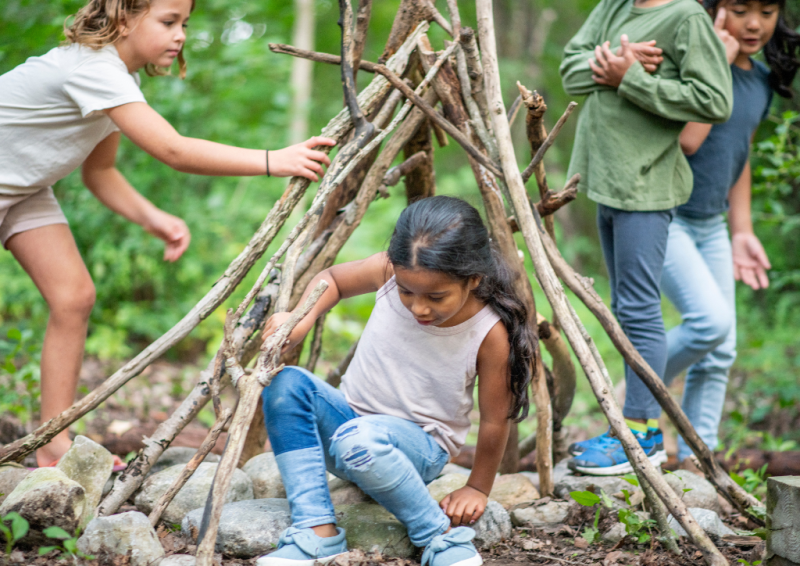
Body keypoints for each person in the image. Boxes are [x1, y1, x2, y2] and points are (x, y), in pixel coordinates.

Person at [0, 0, 335, 467]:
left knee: (73, 297)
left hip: (23, 190)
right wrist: (271, 160)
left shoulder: (121, 79)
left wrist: (153, 218)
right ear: (123, 17)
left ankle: (53, 442)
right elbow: (173, 150)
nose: (181, 35)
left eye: (185, 23)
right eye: (168, 21)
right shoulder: (93, 68)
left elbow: (100, 173)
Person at [257, 196, 534, 566]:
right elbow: (332, 280)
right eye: (407, 292)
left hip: (418, 448)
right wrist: (300, 319)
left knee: (360, 437)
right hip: (346, 430)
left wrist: (477, 487)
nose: (418, 307)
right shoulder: (388, 272)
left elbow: (495, 419)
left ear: (473, 279)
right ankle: (316, 529)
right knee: (285, 384)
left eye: (436, 296)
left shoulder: (488, 333)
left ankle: (439, 536)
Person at [560, 0, 734, 475]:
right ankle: (631, 428)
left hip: (646, 187)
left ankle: (641, 431)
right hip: (607, 181)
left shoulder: (686, 17)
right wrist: (610, 62)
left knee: (639, 309)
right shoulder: (613, 6)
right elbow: (570, 70)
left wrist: (630, 78)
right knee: (624, 308)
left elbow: (714, 100)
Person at [661, 0, 800, 471]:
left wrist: (742, 230)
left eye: (767, 11)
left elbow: (739, 155)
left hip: (712, 224)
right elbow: (689, 140)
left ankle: (700, 460)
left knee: (721, 351)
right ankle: (636, 388)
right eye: (740, 9)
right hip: (666, 216)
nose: (755, 23)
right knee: (708, 323)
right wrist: (714, 66)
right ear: (714, 10)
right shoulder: (693, 67)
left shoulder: (760, 80)